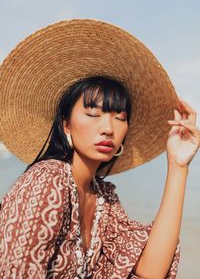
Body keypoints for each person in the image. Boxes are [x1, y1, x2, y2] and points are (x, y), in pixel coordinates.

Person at [0, 19, 199, 279]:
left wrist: (178, 165)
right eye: (93, 113)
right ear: (66, 125)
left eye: (120, 116)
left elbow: (151, 270)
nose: (108, 128)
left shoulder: (104, 198)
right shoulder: (48, 181)